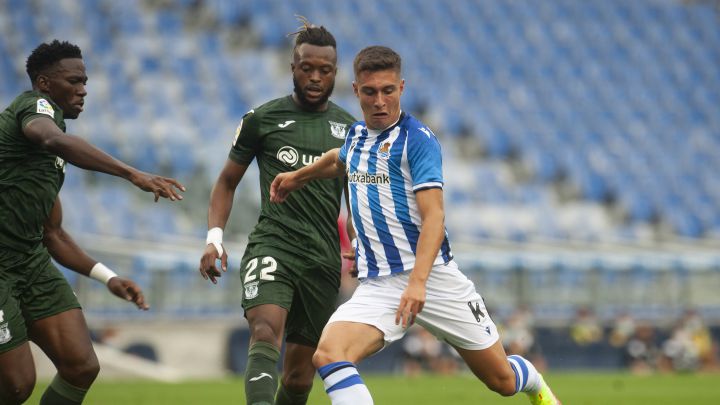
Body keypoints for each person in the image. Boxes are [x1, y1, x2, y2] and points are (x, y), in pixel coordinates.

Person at [270, 45, 562, 405]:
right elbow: (338, 160)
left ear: (402, 88)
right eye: (370, 92)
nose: (380, 101)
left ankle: (533, 381)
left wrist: (418, 283)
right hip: (380, 285)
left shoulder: (417, 141)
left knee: (501, 379)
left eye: (388, 90)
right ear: (356, 90)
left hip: (433, 278)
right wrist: (297, 177)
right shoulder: (356, 136)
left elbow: (435, 217)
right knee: (329, 353)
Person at [0, 40, 185, 404]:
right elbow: (51, 138)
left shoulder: (46, 157)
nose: (83, 90)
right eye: (74, 81)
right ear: (44, 83)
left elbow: (53, 233)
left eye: (85, 81)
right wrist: (133, 174)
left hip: (30, 263)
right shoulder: (34, 109)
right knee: (17, 385)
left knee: (81, 366)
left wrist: (108, 277)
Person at [198, 20, 355, 405]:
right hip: (274, 245)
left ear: (335, 72)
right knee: (265, 331)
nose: (315, 77)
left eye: (325, 70)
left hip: (322, 260)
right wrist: (214, 238)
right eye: (307, 68)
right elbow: (226, 182)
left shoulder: (350, 130)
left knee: (299, 378)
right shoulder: (262, 120)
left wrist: (359, 244)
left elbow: (356, 201)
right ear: (292, 68)